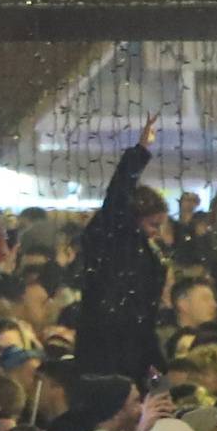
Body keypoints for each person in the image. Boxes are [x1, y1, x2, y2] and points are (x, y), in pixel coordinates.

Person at [72, 115, 169, 381]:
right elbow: (118, 194)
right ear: (133, 218)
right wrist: (139, 153)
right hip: (104, 343)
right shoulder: (112, 236)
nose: (156, 232)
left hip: (134, 341)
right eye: (152, 224)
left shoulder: (146, 252)